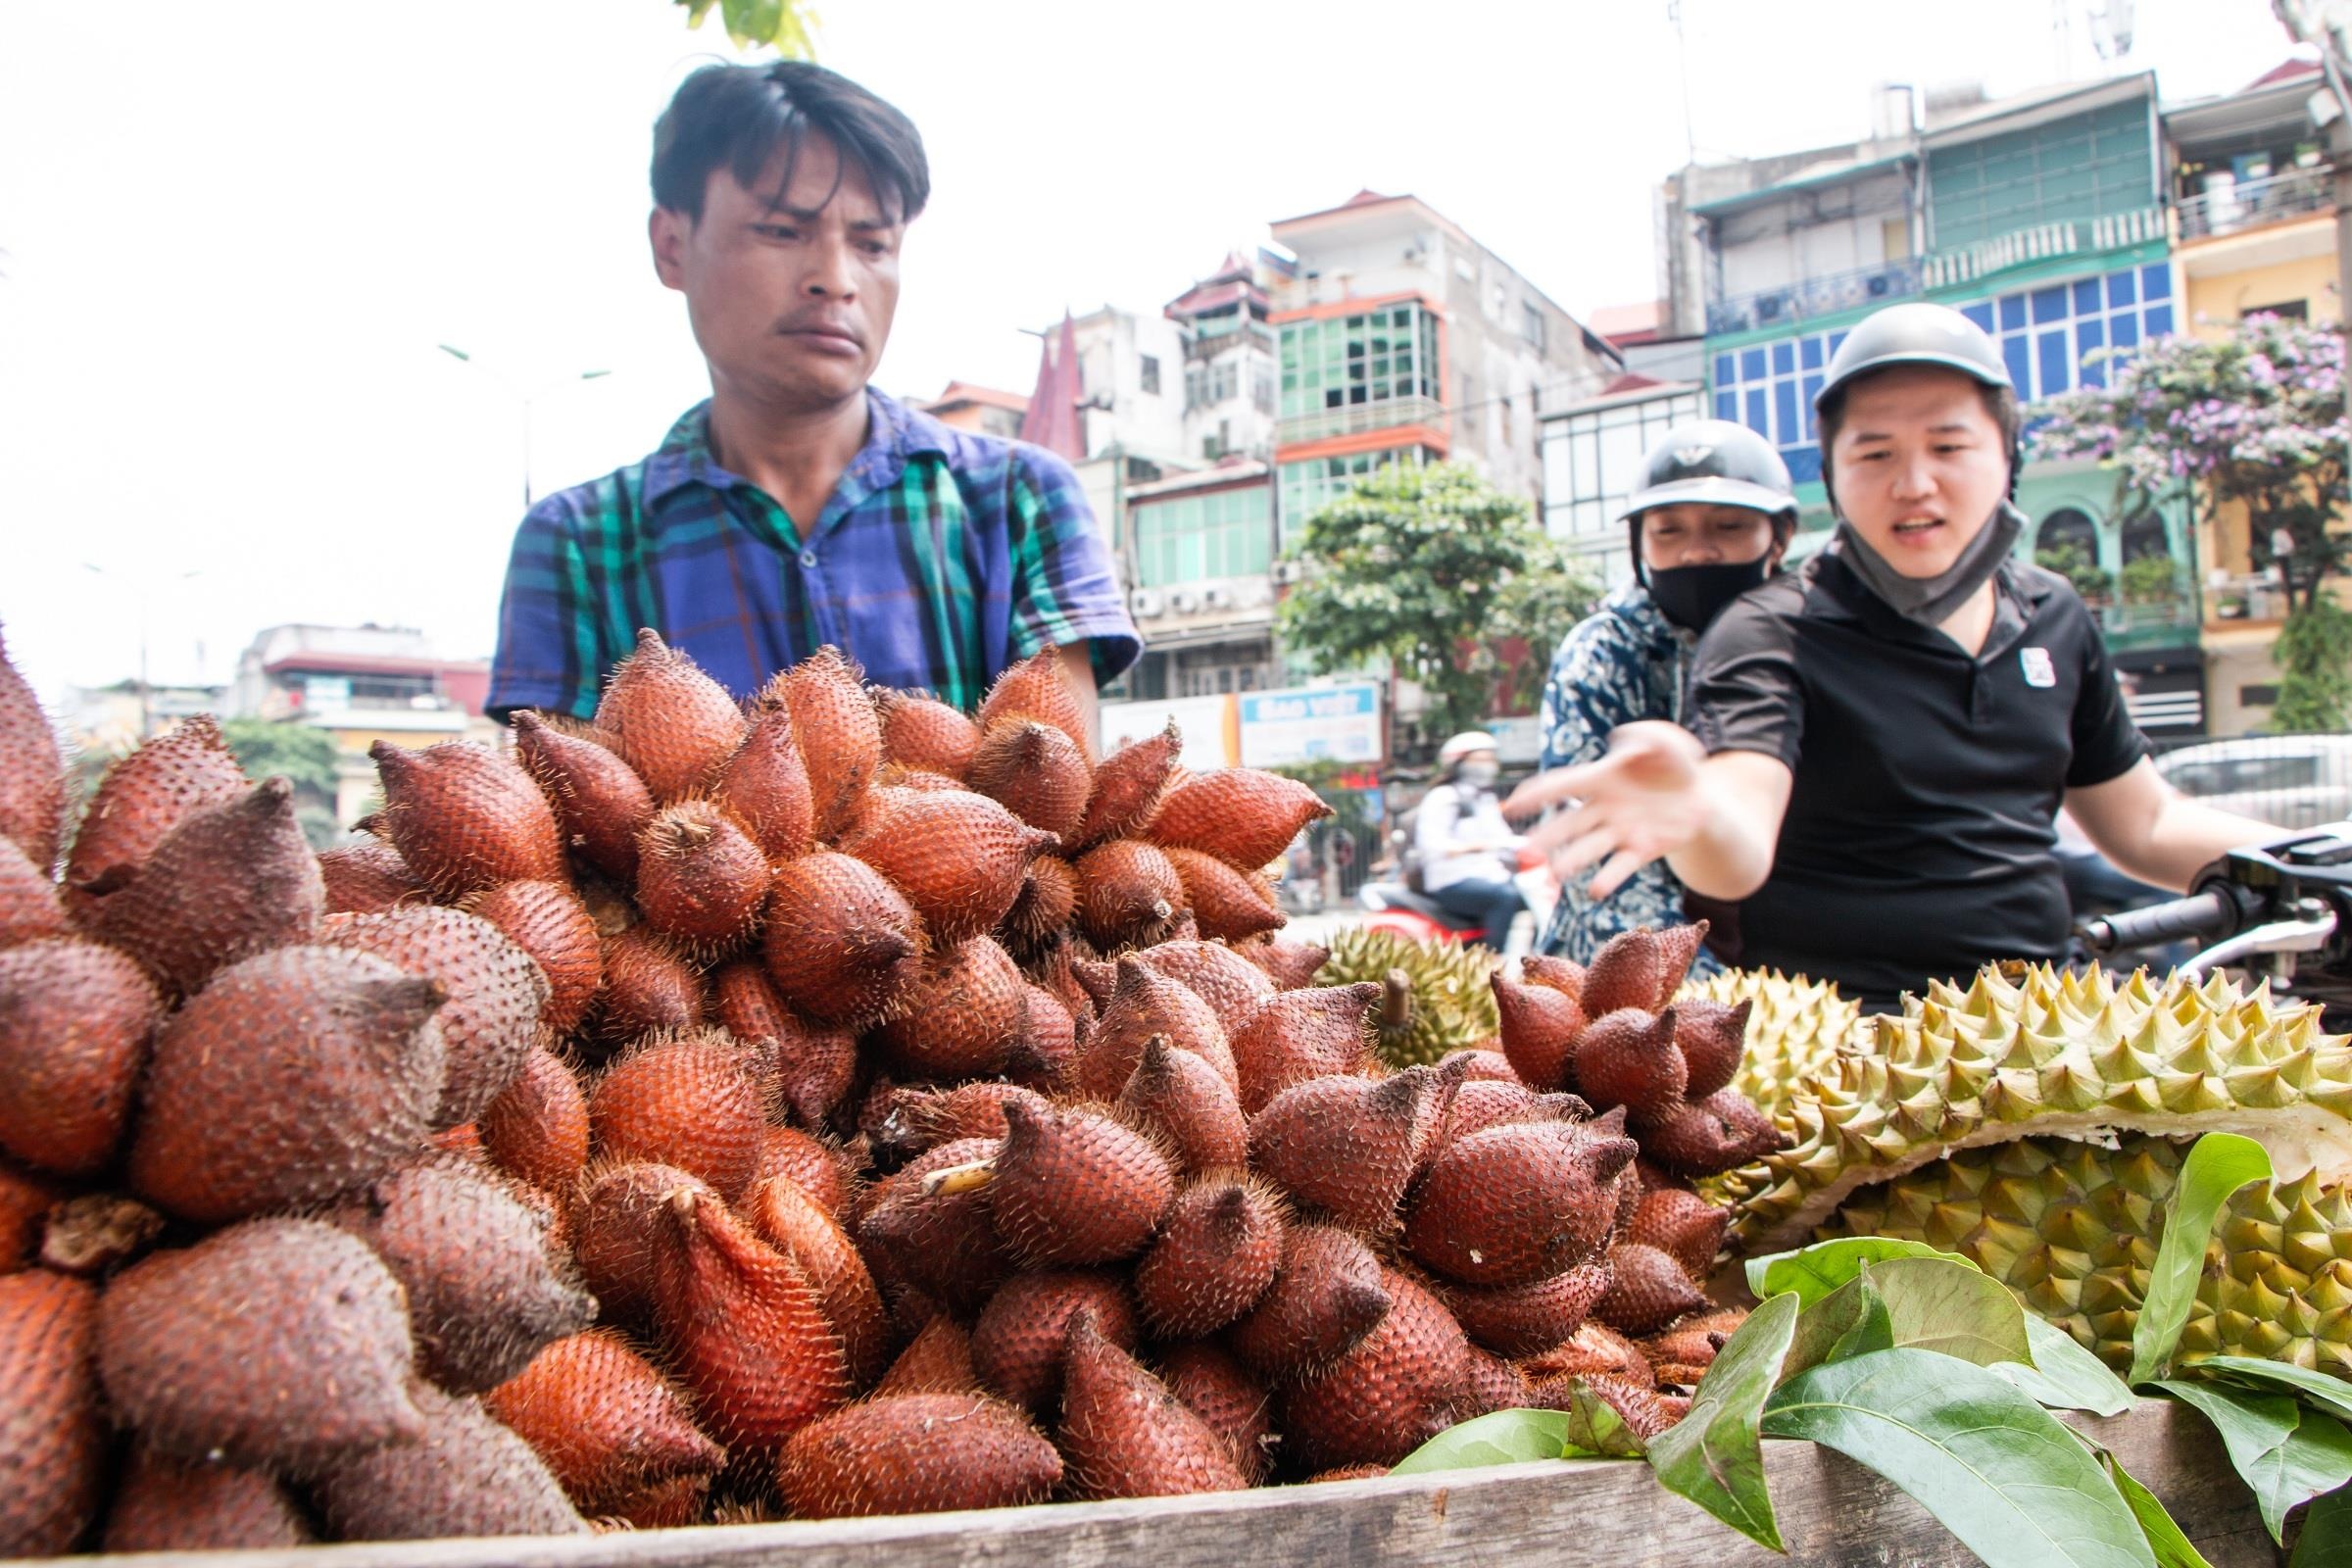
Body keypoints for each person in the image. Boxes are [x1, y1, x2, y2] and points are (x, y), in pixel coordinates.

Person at [1508, 302, 2277, 1012]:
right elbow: (1738, 835)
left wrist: (2304, 860)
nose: (1915, 484)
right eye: (1875, 454)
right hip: (1847, 1048)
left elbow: (2146, 823)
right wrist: (1698, 810)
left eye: (1949, 446)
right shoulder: (1768, 627)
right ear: (1834, 476)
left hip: (2047, 1023)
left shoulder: (2056, 612)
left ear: (2007, 454)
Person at [486, 62, 1139, 726]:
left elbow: (1060, 798)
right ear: (672, 246)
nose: (836, 279)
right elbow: (562, 811)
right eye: (782, 231)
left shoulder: (1022, 501)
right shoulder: (575, 542)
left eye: (872, 243)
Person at [1535, 419, 1797, 972]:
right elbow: (1601, 857)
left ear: (1780, 537)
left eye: (1728, 526)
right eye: (1668, 532)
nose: (1697, 553)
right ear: (1639, 543)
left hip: (1804, 950)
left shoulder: (1810, 634)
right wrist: (1702, 991)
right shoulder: (1600, 654)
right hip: (1646, 972)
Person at [1414, 731, 1527, 951]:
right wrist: (1477, 847)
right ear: (1459, 763)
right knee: (1505, 897)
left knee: (1524, 892)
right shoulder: (1443, 797)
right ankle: (1491, 959)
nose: (1489, 765)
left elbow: (1503, 838)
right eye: (1481, 760)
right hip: (1451, 880)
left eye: (1491, 759)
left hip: (1489, 875)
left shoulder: (1485, 798)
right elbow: (1431, 844)